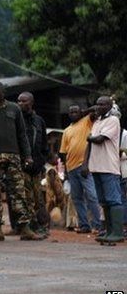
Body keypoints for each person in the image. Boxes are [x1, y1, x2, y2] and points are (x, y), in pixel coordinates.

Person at [0, 81, 42, 241]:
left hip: (13, 157)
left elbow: (22, 134)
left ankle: (24, 227)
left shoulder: (14, 109)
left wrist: (27, 156)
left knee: (18, 192)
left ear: (3, 93)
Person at [83, 96, 125, 243]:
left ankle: (118, 232)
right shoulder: (97, 122)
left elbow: (100, 139)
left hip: (109, 167)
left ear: (109, 106)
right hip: (96, 166)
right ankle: (109, 232)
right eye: (98, 104)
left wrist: (90, 137)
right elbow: (91, 143)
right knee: (104, 201)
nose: (99, 106)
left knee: (113, 200)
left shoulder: (113, 120)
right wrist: (85, 164)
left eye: (103, 104)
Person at [59, 105, 102, 233]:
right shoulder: (66, 130)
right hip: (71, 168)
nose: (73, 113)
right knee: (77, 198)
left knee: (92, 196)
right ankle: (84, 225)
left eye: (76, 111)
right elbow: (64, 152)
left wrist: (85, 111)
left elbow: (97, 108)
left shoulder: (87, 120)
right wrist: (66, 172)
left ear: (80, 112)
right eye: (71, 112)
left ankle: (98, 225)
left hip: (85, 166)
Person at [17, 92, 50, 237]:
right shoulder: (16, 121)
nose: (20, 104)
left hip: (36, 166)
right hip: (21, 166)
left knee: (39, 198)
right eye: (18, 101)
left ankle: (43, 225)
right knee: (25, 197)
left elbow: (44, 144)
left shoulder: (39, 121)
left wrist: (41, 161)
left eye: (23, 101)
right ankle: (29, 227)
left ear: (31, 103)